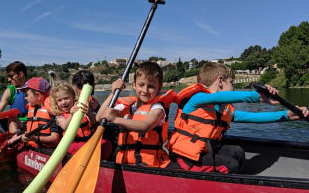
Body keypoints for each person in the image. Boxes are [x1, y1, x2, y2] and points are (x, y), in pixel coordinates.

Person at [168, 62, 309, 174]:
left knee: (238, 152)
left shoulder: (224, 111)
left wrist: (287, 115)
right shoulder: (197, 99)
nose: (233, 87)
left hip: (202, 153)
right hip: (186, 159)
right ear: (220, 81)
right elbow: (218, 96)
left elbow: (256, 117)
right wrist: (256, 96)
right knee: (231, 165)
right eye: (232, 82)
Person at [96, 61, 177, 167]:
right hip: (125, 164)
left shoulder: (158, 108)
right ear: (134, 85)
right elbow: (99, 117)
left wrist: (115, 119)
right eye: (141, 85)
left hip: (150, 166)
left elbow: (145, 126)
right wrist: (113, 93)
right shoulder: (126, 106)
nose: (145, 90)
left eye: (151, 86)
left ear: (159, 87)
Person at [50, 83, 112, 159]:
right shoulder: (59, 116)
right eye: (59, 100)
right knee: (85, 149)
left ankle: (99, 163)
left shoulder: (81, 109)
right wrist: (71, 115)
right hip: (73, 144)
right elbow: (65, 127)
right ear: (56, 103)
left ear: (73, 98)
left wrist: (89, 113)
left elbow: (95, 121)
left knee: (107, 144)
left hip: (89, 141)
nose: (63, 102)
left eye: (66, 98)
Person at [7, 77, 61, 148]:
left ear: (38, 95)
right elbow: (27, 128)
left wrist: (35, 138)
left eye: (27, 95)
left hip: (46, 150)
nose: (25, 98)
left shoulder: (52, 112)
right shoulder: (33, 109)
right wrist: (17, 136)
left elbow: (55, 139)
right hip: (32, 146)